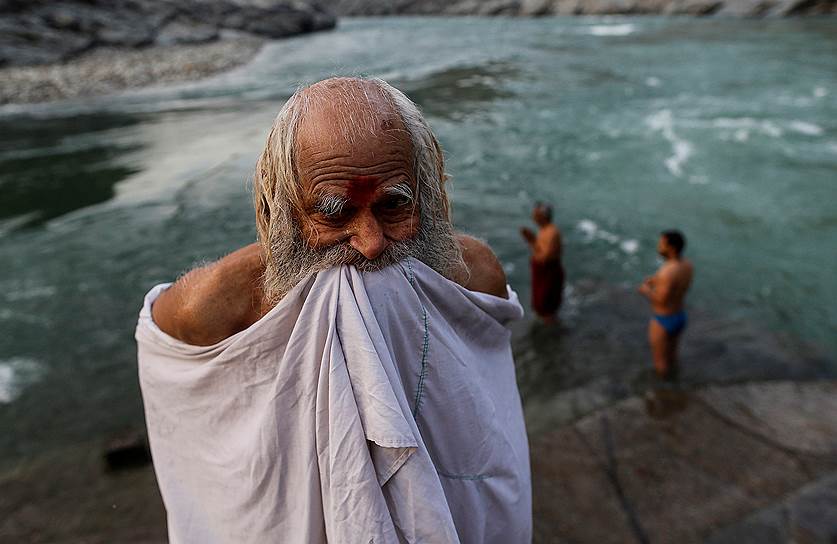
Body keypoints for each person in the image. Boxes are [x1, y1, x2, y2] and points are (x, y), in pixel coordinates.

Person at [135, 77, 531, 543]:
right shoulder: (217, 307)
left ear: (428, 193)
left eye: (392, 206)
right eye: (335, 213)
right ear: (277, 210)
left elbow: (488, 431)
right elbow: (181, 406)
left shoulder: (470, 275)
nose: (370, 243)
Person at [638, 230, 694, 381]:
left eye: (662, 244)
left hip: (663, 320)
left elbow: (660, 300)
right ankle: (676, 381)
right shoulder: (687, 265)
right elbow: (676, 286)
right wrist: (657, 281)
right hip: (680, 315)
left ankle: (664, 394)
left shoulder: (667, 272)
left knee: (660, 364)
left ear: (672, 248)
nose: (659, 247)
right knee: (673, 356)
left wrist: (646, 290)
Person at [520, 202, 564, 323]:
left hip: (548, 273)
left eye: (536, 214)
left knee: (547, 303)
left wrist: (532, 240)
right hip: (542, 272)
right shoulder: (543, 230)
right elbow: (539, 251)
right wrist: (532, 240)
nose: (533, 216)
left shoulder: (552, 232)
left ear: (543, 216)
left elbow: (545, 257)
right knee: (541, 303)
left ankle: (550, 331)